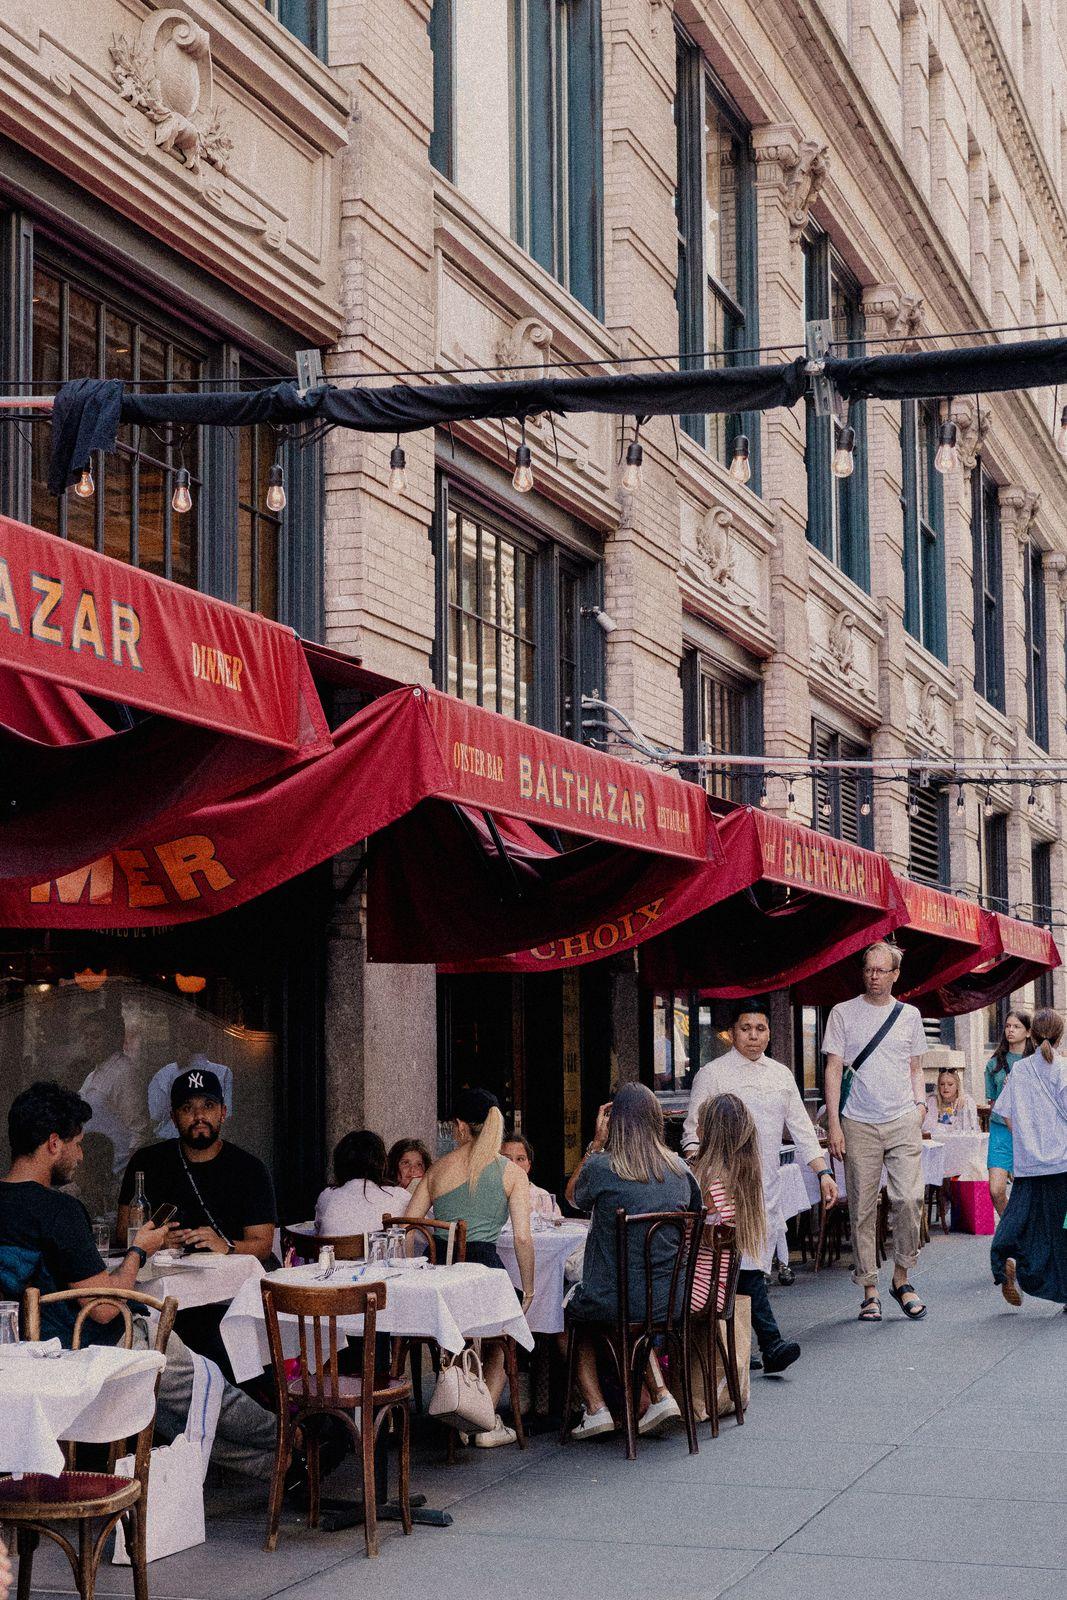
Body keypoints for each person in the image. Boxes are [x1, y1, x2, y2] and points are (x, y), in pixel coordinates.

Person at [0, 1081, 288, 1486]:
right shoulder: (59, 1210)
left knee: (174, 1412)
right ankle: (290, 1438)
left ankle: (281, 1463)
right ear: (53, 1144)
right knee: (204, 1390)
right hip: (92, 1348)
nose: (81, 1156)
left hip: (26, 1355)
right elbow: (103, 1308)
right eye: (77, 1144)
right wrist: (140, 1249)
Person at [682, 1000, 838, 1373]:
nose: (754, 1036)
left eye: (761, 1028)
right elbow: (691, 1134)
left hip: (765, 1186)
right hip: (724, 1187)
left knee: (750, 1264)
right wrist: (706, 1175)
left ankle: (743, 1346)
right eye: (746, 1028)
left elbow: (802, 1129)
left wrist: (823, 1173)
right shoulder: (712, 1074)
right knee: (739, 1264)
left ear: (769, 1032)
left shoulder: (781, 1075)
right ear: (731, 1032)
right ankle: (767, 1344)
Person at [562, 1083, 700, 1440]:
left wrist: (595, 1144)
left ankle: (596, 1408)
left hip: (616, 1299)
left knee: (562, 1308)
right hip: (670, 1300)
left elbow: (572, 1197)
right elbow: (696, 1215)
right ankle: (659, 1394)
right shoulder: (681, 1171)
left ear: (615, 1123)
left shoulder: (602, 1167)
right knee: (627, 1304)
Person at [407, 1088, 534, 1448]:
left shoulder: (437, 1169)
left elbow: (408, 1226)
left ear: (461, 1127)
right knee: (507, 1330)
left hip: (441, 1273)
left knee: (457, 1335)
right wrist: (529, 1289)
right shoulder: (511, 1173)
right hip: (484, 1271)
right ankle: (484, 1418)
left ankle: (464, 1407)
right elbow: (523, 1239)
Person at [823, 941, 930, 1323]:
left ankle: (901, 1278)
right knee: (862, 1208)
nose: (873, 977)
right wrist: (834, 1123)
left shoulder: (910, 1015)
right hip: (858, 1121)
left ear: (895, 974)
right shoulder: (842, 1013)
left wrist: (920, 1106)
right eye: (869, 969)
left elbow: (916, 1067)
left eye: (882, 970)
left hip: (902, 1118)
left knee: (909, 1199)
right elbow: (833, 1069)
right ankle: (869, 1289)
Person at [116, 1068, 275, 1261]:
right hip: (162, 1276)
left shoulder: (250, 1169)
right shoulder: (146, 1162)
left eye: (208, 1106)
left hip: (231, 1276)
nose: (199, 1116)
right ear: (174, 1118)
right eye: (187, 1108)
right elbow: (123, 1232)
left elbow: (263, 1245)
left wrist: (226, 1246)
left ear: (222, 1113)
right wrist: (155, 1243)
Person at [990, 1006, 1067, 1309]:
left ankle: (1009, 1259)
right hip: (1061, 1162)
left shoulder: (1019, 1071)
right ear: (1060, 1037)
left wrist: (1026, 1142)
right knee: (1061, 1229)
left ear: (1032, 1035)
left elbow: (1006, 1115)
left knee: (1021, 1220)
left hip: (1028, 1165)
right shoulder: (1063, 1068)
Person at [76, 1009, 150, 1179]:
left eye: (95, 1036)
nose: (88, 1042)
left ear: (113, 1038)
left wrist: (127, 1174)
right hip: (93, 1171)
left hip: (116, 1172)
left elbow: (138, 1130)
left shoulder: (124, 1073)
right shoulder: (92, 1076)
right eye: (85, 1036)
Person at [147, 1019, 233, 1141]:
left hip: (171, 1140)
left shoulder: (165, 1073)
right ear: (208, 1040)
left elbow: (156, 1115)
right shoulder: (223, 1073)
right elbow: (226, 1118)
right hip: (205, 1140)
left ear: (181, 1040)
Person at [315, 1130, 411, 1237]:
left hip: (334, 1248)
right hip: (380, 1247)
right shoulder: (399, 1196)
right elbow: (423, 1235)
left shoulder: (327, 1196)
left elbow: (319, 1230)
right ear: (381, 1163)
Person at [985, 1010, 1031, 1218]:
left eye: (1016, 1026)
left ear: (1028, 1032)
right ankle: (1010, 1227)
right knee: (996, 1190)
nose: (1010, 1030)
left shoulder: (1035, 1062)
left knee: (1026, 1193)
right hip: (1000, 1131)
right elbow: (993, 1103)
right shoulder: (993, 1063)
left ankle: (1020, 1230)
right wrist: (1006, 1093)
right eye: (1007, 1026)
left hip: (1027, 1132)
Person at [501, 1131, 561, 1218]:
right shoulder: (488, 1194)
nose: (513, 1164)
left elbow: (555, 1224)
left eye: (520, 1159)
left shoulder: (542, 1197)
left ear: (528, 1165)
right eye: (506, 1159)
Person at [923, 1067, 980, 1133]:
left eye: (950, 1084)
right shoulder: (933, 1101)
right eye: (942, 1084)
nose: (945, 1087)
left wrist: (959, 1111)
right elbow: (927, 1128)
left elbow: (969, 1130)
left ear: (957, 1086)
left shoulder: (967, 1101)